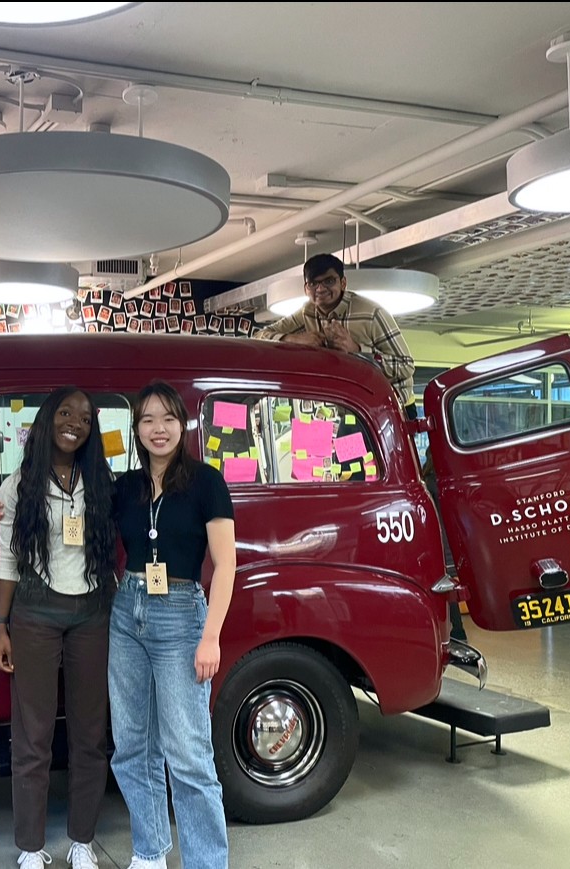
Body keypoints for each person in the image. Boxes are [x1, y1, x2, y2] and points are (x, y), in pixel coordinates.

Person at [110, 380, 235, 869]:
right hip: (127, 611)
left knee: (187, 754)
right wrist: (6, 505)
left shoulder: (207, 481)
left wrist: (211, 637)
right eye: (147, 420)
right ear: (136, 428)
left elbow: (225, 564)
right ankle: (149, 851)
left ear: (182, 424)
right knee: (131, 746)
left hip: (182, 616)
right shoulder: (127, 486)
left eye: (167, 418)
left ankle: (206, 862)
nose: (157, 429)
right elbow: (68, 508)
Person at [0, 387, 117, 869]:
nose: (75, 423)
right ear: (47, 421)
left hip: (92, 611)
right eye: (66, 413)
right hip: (35, 614)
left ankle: (82, 842)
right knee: (33, 737)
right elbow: (8, 560)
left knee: (89, 734)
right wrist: (1, 626)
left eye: (85, 419)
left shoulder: (102, 480)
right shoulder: (17, 485)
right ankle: (30, 847)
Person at [256, 252, 418, 418]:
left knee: (389, 445)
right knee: (343, 444)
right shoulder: (307, 313)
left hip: (395, 407)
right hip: (354, 408)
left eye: (329, 281)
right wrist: (294, 339)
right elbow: (260, 336)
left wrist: (358, 350)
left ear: (343, 283)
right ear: (306, 289)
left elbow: (406, 366)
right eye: (313, 283)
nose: (320, 289)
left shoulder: (372, 314)